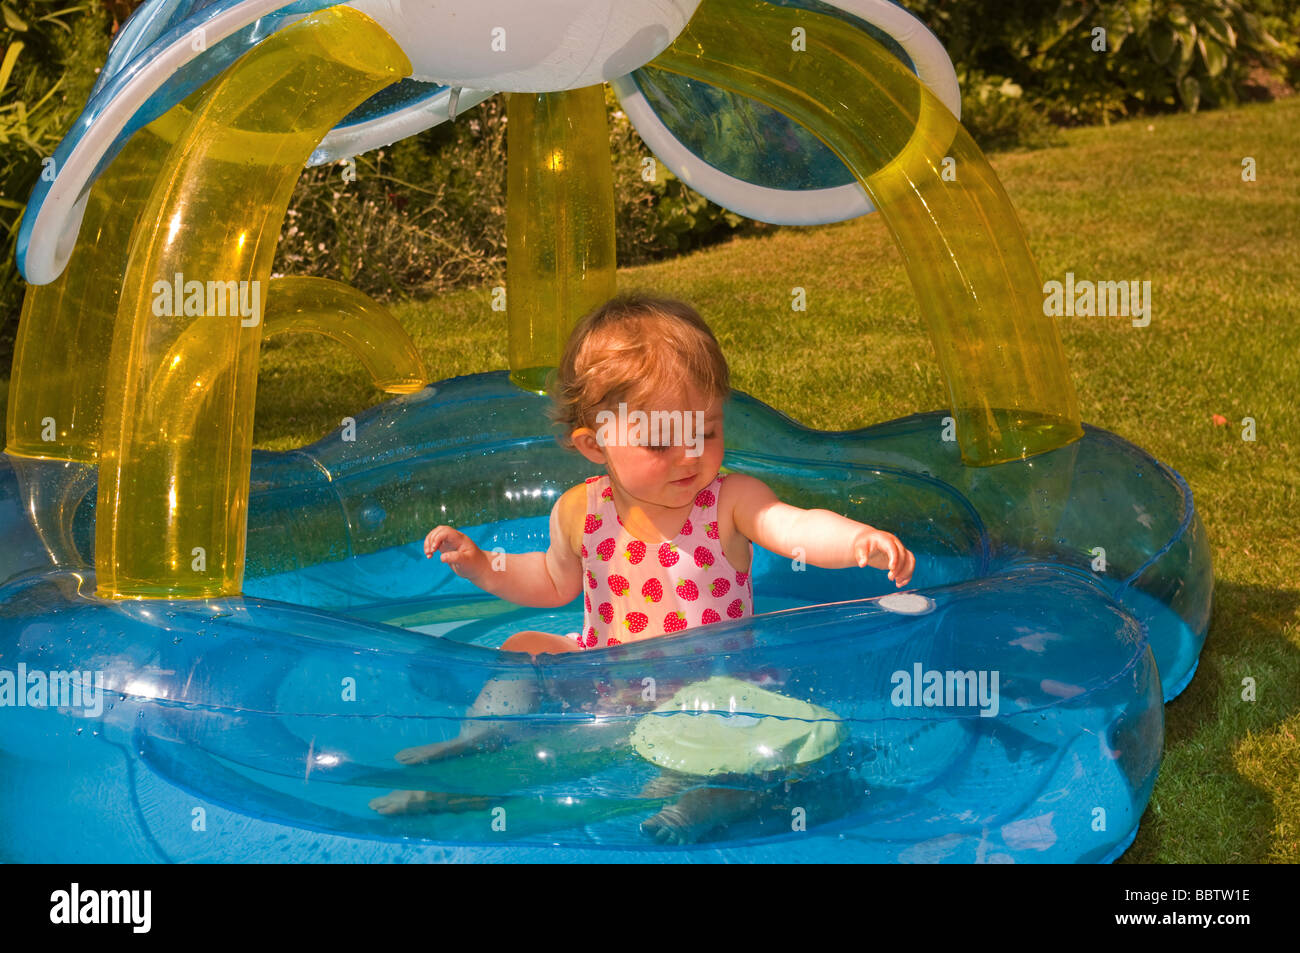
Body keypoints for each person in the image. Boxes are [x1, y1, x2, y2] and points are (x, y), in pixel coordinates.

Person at [369, 292, 915, 841]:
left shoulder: (730, 501)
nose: (689, 455)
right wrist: (487, 567)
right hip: (605, 676)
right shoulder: (580, 509)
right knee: (522, 648)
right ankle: (481, 736)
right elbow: (554, 581)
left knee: (760, 753)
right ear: (594, 443)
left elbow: (792, 526)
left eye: (705, 432)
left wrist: (855, 539)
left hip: (710, 689)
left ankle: (704, 803)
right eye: (660, 441)